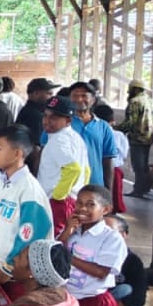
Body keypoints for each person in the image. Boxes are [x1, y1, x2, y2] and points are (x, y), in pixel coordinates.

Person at [58, 186, 139, 306]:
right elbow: (56, 250)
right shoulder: (73, 231)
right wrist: (68, 230)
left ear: (105, 210)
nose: (82, 208)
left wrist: (69, 258)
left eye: (90, 204)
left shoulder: (111, 238)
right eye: (79, 203)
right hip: (69, 298)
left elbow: (101, 271)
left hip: (93, 301)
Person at [0, 125, 53, 290]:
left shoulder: (30, 189)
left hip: (17, 274)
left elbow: (31, 233)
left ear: (17, 153)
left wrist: (8, 266)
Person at [36, 96, 90, 231]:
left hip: (58, 202)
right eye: (45, 116)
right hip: (72, 198)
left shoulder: (58, 141)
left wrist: (58, 197)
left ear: (68, 121)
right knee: (65, 236)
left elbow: (74, 169)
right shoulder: (76, 138)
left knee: (54, 241)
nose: (47, 121)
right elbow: (87, 170)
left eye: (53, 118)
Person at [66, 82, 115, 188]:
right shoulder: (61, 123)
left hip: (95, 185)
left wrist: (108, 191)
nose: (79, 99)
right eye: (75, 96)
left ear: (93, 100)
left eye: (84, 96)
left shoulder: (104, 127)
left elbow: (108, 160)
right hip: (66, 186)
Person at [116, 79, 153, 198]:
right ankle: (145, 188)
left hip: (137, 137)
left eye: (130, 88)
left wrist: (115, 129)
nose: (128, 90)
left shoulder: (134, 102)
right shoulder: (149, 100)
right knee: (144, 165)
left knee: (138, 166)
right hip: (148, 136)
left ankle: (138, 190)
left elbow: (130, 122)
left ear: (136, 89)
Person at [15, 78, 58, 153]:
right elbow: (36, 147)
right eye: (49, 94)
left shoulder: (31, 111)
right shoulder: (34, 115)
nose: (52, 98)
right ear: (36, 94)